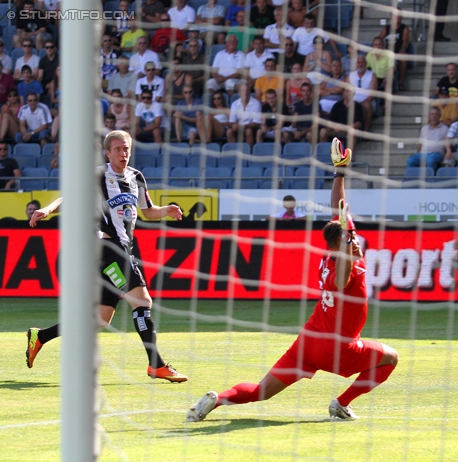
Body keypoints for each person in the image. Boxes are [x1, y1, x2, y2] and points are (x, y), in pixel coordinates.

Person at [186, 138, 398, 423]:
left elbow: (338, 206)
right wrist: (350, 247)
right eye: (351, 240)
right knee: (392, 357)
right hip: (339, 347)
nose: (357, 243)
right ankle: (341, 404)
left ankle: (216, 399)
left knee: (262, 391)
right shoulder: (344, 266)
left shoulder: (335, 247)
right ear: (341, 244)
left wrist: (339, 171)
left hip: (309, 341)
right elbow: (341, 277)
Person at [26, 130, 188, 383]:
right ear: (108, 152)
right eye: (118, 149)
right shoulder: (98, 175)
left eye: (126, 149)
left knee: (101, 318)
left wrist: (166, 210)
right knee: (142, 302)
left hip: (123, 249)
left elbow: (147, 211)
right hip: (106, 248)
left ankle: (41, 336)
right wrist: (47, 209)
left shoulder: (137, 177)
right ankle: (156, 365)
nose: (123, 154)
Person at [378, 9, 409, 91]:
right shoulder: (387, 28)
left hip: (398, 53)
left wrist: (402, 50)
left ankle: (401, 82)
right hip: (387, 54)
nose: (397, 17)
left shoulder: (404, 28)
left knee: (403, 58)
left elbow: (405, 41)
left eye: (399, 15)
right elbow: (379, 39)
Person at [347, 55, 377, 132]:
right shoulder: (350, 75)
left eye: (363, 63)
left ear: (366, 64)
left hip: (367, 100)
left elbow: (373, 93)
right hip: (353, 100)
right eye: (359, 63)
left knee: (366, 105)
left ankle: (366, 130)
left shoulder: (372, 75)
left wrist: (364, 102)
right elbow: (346, 91)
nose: (361, 65)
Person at [226, 82, 261, 147]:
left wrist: (242, 126)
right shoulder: (235, 104)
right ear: (239, 92)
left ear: (250, 92)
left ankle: (248, 153)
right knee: (229, 131)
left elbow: (256, 123)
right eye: (243, 91)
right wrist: (233, 125)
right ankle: (233, 152)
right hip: (238, 128)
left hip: (251, 128)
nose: (246, 92)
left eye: (247, 90)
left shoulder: (256, 103)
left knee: (248, 131)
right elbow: (232, 121)